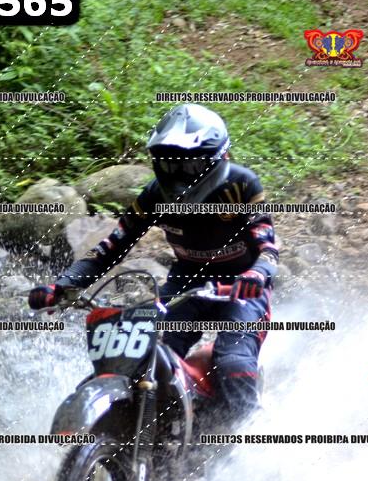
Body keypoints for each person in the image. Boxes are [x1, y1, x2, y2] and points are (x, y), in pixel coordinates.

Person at [29, 104, 279, 420]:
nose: (178, 174)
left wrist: (257, 274)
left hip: (242, 287)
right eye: (168, 164)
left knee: (233, 361)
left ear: (218, 159)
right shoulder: (154, 196)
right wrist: (63, 285)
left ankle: (251, 433)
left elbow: (268, 248)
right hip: (187, 282)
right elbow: (111, 246)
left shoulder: (241, 185)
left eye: (190, 165)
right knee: (148, 357)